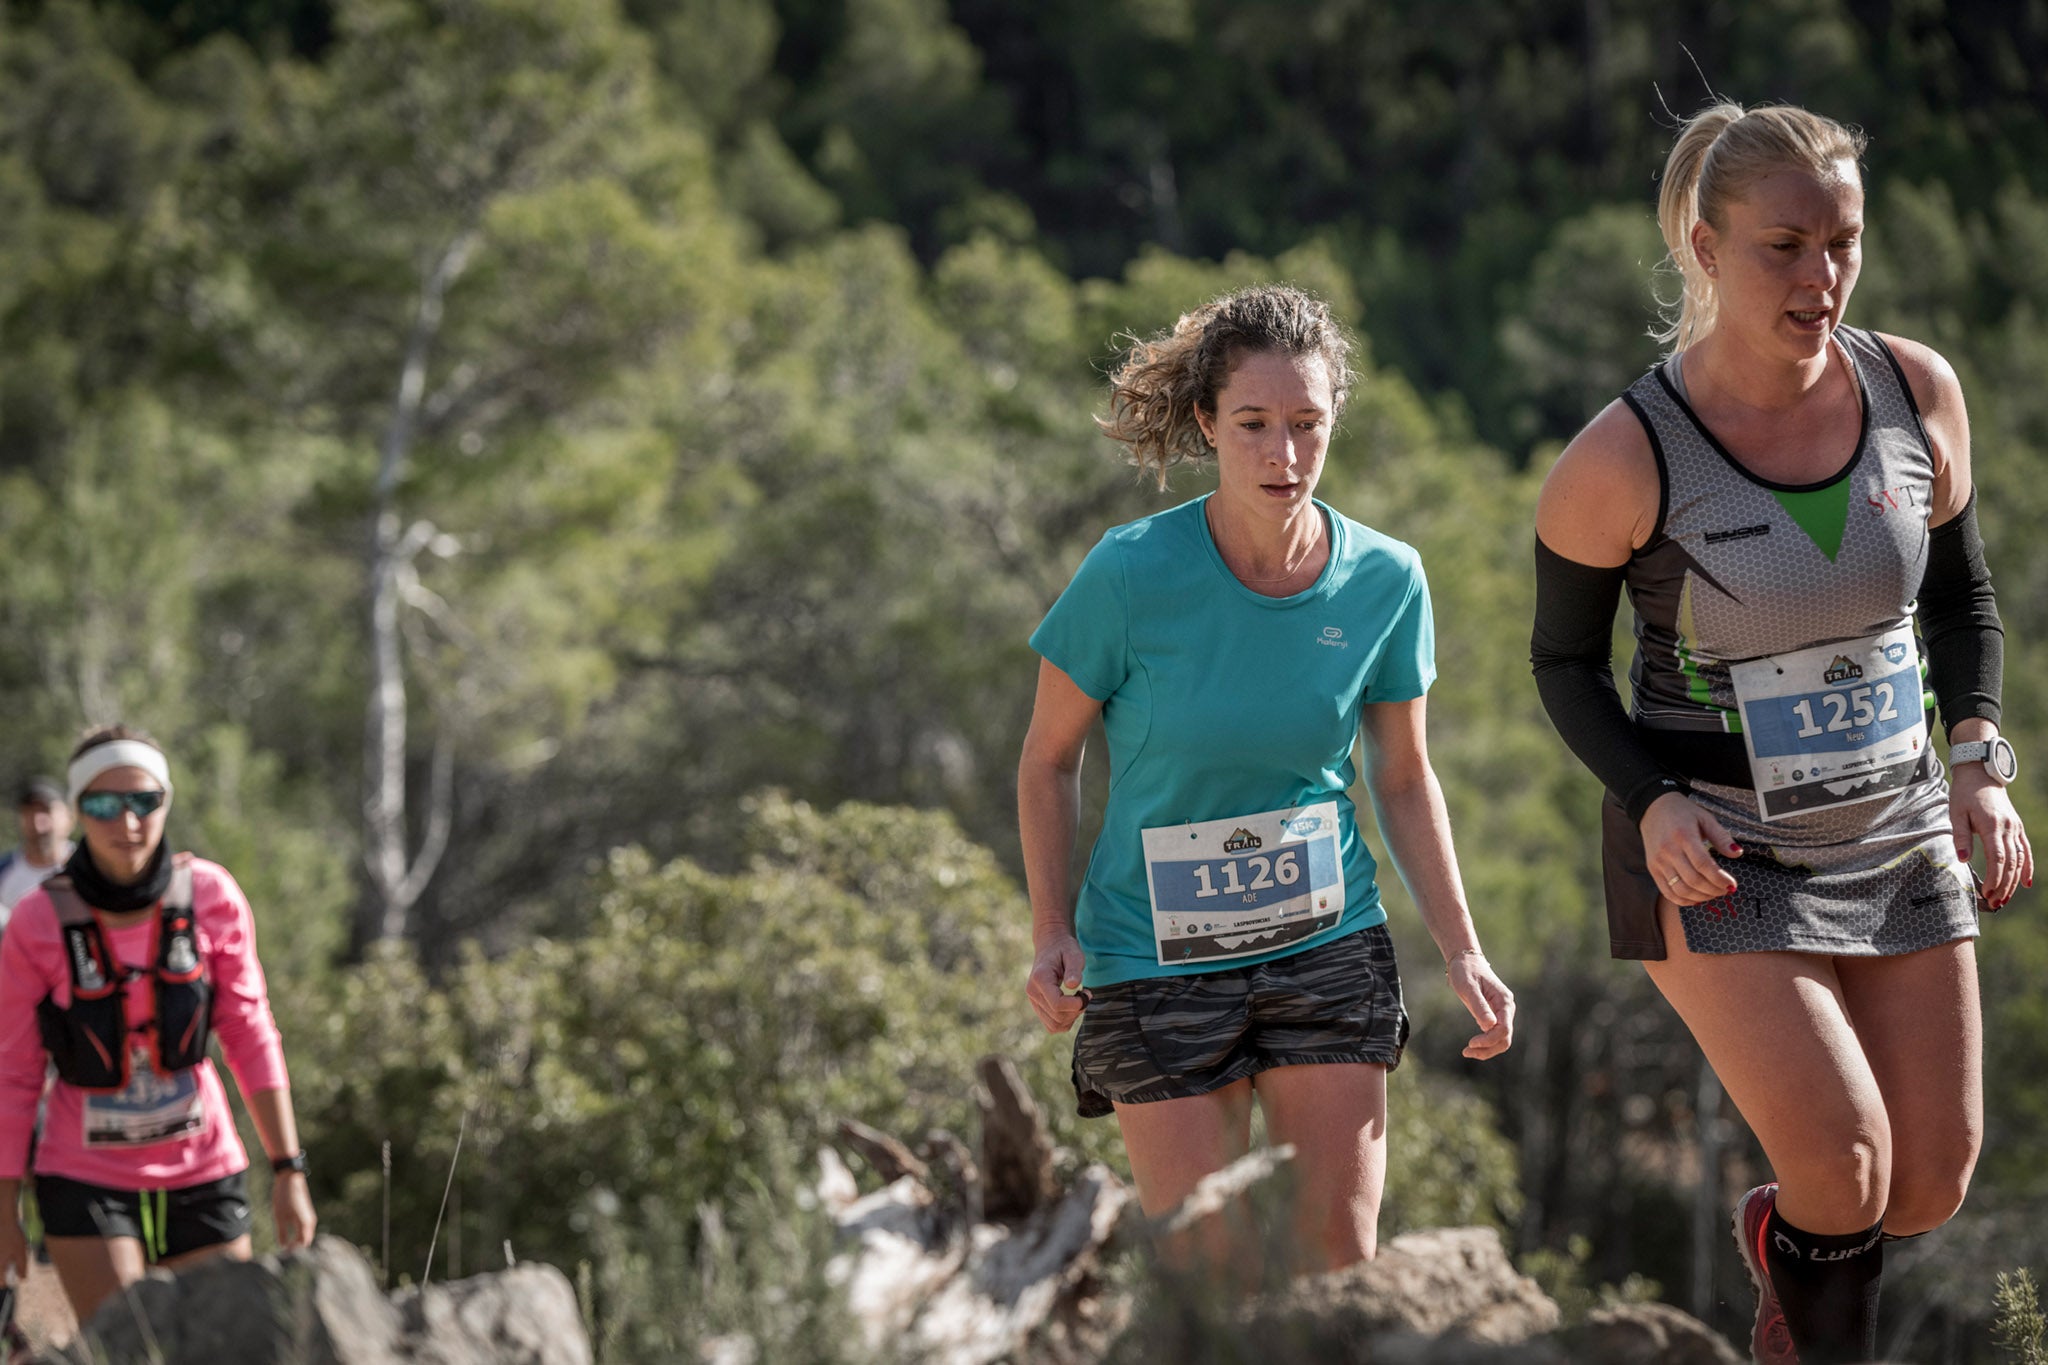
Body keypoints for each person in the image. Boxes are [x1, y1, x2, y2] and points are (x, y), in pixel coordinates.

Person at [1532, 101, 2032, 1364]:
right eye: (1782, 247)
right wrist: (1650, 801)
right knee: (1844, 1162)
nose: (1820, 277)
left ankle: (1782, 1244)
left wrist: (1977, 757)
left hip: (1898, 822)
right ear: (1704, 250)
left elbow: (1962, 602)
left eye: (1843, 242)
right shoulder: (1625, 455)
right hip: (1719, 847)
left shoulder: (1913, 389)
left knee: (1921, 1185)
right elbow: (1560, 664)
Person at [1018, 284, 1515, 1281]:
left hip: (1325, 947)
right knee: (1215, 1276)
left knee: (1335, 1264)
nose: (1281, 455)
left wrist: (1460, 948)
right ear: (1206, 422)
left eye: (1305, 424)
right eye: (1252, 424)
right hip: (1152, 964)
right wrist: (1049, 926)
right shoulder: (1127, 574)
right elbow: (1046, 759)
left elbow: (1403, 776)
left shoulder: (1385, 579)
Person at [0, 726, 317, 1323]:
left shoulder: (211, 896)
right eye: (102, 805)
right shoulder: (37, 922)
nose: (127, 822)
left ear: (166, 801)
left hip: (203, 1166)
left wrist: (287, 1169)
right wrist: (3, 1212)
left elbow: (249, 1032)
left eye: (145, 800)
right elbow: (13, 1074)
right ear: (77, 812)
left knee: (215, 1347)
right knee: (130, 1345)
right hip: (82, 1170)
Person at [0, 779, 75, 927]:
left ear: (70, 817)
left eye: (46, 811)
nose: (37, 822)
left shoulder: (92, 867)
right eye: (29, 812)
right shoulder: (3, 871)